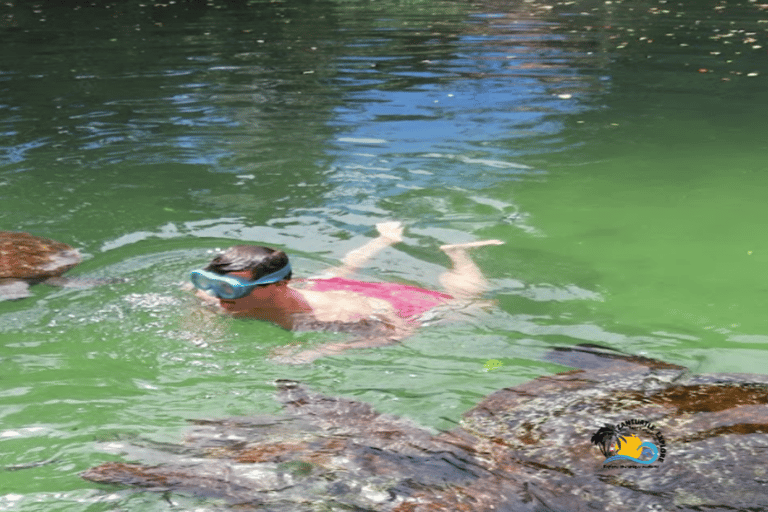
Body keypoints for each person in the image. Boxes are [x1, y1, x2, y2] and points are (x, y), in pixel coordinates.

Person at [190, 222, 502, 362]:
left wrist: (323, 350)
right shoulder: (221, 295)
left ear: (277, 285)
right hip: (320, 289)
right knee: (337, 273)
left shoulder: (329, 316)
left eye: (230, 287)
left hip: (400, 306)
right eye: (212, 283)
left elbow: (399, 331)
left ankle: (458, 253)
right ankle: (385, 239)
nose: (218, 295)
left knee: (472, 304)